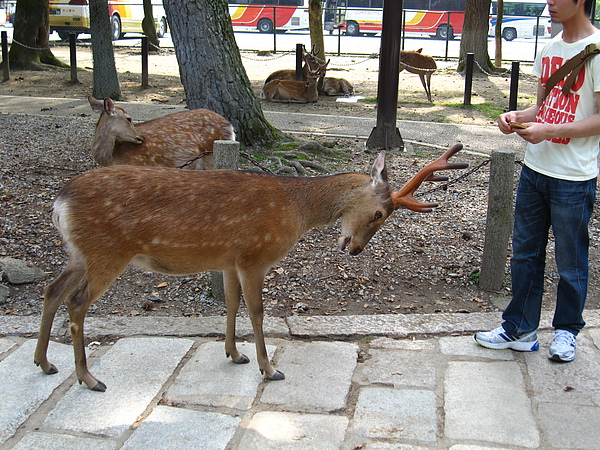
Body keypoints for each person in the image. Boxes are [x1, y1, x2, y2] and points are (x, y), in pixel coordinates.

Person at [475, 0, 600, 362]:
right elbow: (542, 108)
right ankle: (520, 328)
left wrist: (550, 130)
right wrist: (516, 116)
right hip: (535, 170)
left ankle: (566, 331)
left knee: (571, 258)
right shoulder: (550, 47)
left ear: (581, 2)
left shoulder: (596, 51)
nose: (551, 3)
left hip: (574, 177)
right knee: (525, 254)